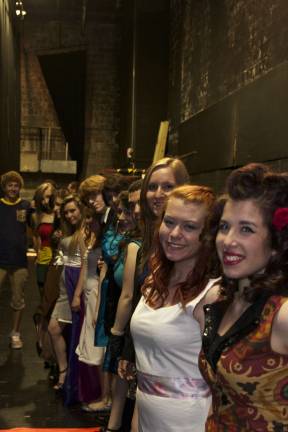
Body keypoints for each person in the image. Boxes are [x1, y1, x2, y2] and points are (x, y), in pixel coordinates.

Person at [195, 163, 288, 431]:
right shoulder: (219, 299)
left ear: (276, 243)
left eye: (246, 229)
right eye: (224, 226)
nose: (227, 240)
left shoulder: (281, 314)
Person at [130, 185, 215, 432]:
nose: (174, 233)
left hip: (191, 422)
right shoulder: (153, 281)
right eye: (169, 222)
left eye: (189, 227)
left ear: (207, 234)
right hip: (147, 416)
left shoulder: (211, 295)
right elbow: (147, 365)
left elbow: (223, 384)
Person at [0, 171, 30, 349]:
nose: (13, 188)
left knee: (18, 299)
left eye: (16, 185)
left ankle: (15, 334)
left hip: (19, 262)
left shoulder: (26, 206)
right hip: (0, 260)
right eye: (10, 185)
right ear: (4, 187)